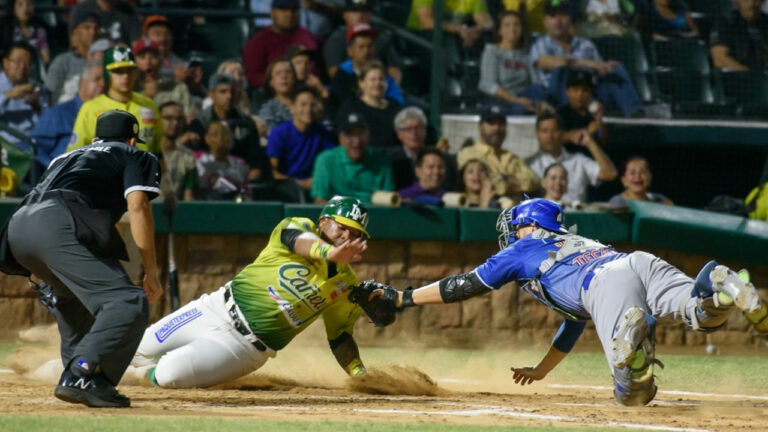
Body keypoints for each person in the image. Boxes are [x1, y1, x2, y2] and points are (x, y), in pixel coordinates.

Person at [375, 197, 768, 406]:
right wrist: (543, 370)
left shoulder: (523, 248)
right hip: (633, 261)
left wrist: (404, 297)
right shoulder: (579, 239)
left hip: (603, 286)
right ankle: (720, 289)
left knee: (632, 393)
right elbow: (574, 321)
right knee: (701, 316)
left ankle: (633, 337)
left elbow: (463, 286)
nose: (512, 234)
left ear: (530, 225)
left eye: (515, 227)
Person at [4, 109, 163, 407]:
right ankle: (82, 374)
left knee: (73, 301)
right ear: (132, 139)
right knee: (128, 302)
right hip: (60, 222)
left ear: (94, 138)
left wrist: (38, 268)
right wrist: (150, 272)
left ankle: (82, 376)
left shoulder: (62, 158)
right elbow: (138, 206)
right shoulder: (134, 155)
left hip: (18, 226)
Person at [130, 196, 372, 388]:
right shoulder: (296, 225)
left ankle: (136, 376)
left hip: (244, 349)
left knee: (168, 373)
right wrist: (329, 253)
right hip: (215, 309)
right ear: (323, 222)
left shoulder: (345, 283)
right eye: (342, 228)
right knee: (134, 348)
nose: (346, 237)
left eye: (355, 234)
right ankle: (104, 371)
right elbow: (299, 240)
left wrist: (359, 374)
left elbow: (339, 335)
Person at [530, 0, 643, 117]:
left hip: (589, 97)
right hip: (557, 99)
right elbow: (546, 62)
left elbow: (599, 69)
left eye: (563, 15)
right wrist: (587, 63)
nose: (558, 21)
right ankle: (569, 116)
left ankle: (635, 113)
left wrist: (606, 67)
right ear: (545, 21)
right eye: (553, 16)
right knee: (562, 70)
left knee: (615, 69)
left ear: (570, 19)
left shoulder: (586, 45)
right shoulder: (540, 44)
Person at [69, 46, 162, 154]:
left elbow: (158, 151)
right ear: (107, 74)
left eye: (129, 70)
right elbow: (75, 153)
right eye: (118, 71)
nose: (125, 76)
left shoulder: (149, 105)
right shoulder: (89, 108)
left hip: (144, 168)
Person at [189, 73, 268, 181]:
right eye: (223, 92)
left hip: (241, 181)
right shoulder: (200, 124)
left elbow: (255, 163)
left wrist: (245, 187)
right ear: (212, 95)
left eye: (232, 92)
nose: (229, 96)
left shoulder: (247, 124)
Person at [526, 113, 616, 204]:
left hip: (577, 216)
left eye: (554, 131)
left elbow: (610, 174)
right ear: (537, 134)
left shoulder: (579, 160)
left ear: (562, 132)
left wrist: (590, 143)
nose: (550, 136)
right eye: (544, 131)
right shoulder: (530, 165)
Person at [456, 104, 540, 201]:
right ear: (480, 126)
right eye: (491, 123)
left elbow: (535, 180)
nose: (496, 128)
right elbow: (482, 183)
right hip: (483, 210)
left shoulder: (511, 157)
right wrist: (513, 182)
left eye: (500, 123)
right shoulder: (468, 153)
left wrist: (502, 181)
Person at [30, 62, 104, 167]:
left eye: (105, 80)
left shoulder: (108, 113)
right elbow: (34, 147)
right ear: (82, 83)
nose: (102, 84)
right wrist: (54, 170)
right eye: (97, 79)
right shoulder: (59, 112)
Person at [311, 112, 395, 204]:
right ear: (341, 138)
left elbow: (389, 200)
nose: (357, 141)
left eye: (361, 134)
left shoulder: (381, 160)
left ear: (369, 136)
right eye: (350, 135)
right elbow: (319, 200)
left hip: (376, 215)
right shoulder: (326, 160)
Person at [267, 86, 335, 193]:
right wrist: (299, 183)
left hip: (314, 186)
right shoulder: (279, 133)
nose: (308, 109)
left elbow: (332, 161)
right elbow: (272, 171)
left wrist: (317, 180)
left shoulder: (321, 132)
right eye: (303, 105)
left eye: (312, 105)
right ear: (292, 108)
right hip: (285, 188)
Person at [243, 0, 320, 89]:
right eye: (283, 10)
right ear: (272, 12)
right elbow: (253, 77)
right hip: (274, 96)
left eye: (294, 10)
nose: (289, 14)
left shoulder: (308, 36)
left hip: (311, 93)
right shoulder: (258, 42)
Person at [479, 11, 545, 114]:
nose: (512, 29)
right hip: (502, 100)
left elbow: (536, 82)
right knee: (519, 108)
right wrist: (516, 100)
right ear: (500, 30)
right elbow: (488, 84)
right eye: (507, 25)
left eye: (516, 25)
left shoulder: (526, 54)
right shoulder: (492, 51)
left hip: (525, 96)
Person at [328, 24, 404, 113]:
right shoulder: (342, 77)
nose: (366, 52)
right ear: (350, 51)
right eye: (361, 47)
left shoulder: (384, 76)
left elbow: (396, 103)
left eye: (370, 46)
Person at [323, 0, 402, 82]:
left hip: (380, 88)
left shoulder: (381, 38)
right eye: (354, 12)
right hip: (350, 89)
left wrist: (388, 89)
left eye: (364, 11)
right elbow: (335, 74)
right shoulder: (336, 40)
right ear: (345, 15)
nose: (360, 16)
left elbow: (394, 71)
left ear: (370, 14)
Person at [336, 60, 402, 149]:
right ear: (361, 83)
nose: (377, 83)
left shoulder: (395, 106)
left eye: (381, 79)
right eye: (372, 79)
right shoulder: (351, 106)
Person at [0, 42, 50, 150]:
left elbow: (48, 119)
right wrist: (8, 95)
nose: (22, 67)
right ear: (5, 63)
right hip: (9, 145)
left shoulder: (36, 87)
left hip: (37, 141)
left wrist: (37, 106)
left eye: (27, 63)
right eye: (17, 61)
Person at [45, 13, 99, 103]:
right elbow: (49, 94)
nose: (93, 32)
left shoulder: (103, 62)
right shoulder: (62, 62)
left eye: (96, 29)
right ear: (75, 33)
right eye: (87, 28)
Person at [196, 121, 252, 201]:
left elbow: (247, 195)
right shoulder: (198, 161)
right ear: (207, 138)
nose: (221, 138)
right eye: (215, 134)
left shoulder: (240, 164)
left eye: (225, 134)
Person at [406, 0, 494, 48]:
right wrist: (460, 29)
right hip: (418, 39)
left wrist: (474, 31)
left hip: (454, 41)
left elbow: (488, 23)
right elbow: (426, 22)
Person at [710, 0, 768, 71]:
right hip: (738, 78)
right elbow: (720, 59)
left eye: (757, 0)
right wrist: (751, 76)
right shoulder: (725, 22)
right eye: (746, 1)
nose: (752, 4)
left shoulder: (765, 22)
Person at [158, 101, 198, 201]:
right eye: (169, 118)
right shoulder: (145, 153)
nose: (175, 123)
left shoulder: (188, 157)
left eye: (179, 119)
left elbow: (189, 196)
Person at [556, 69, 606, 147]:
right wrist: (585, 132)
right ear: (567, 92)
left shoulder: (592, 114)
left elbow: (601, 138)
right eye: (575, 90)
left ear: (590, 93)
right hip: (570, 156)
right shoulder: (561, 113)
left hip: (590, 157)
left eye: (585, 90)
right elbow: (556, 137)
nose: (580, 95)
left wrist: (599, 123)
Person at [69, 0, 141, 45]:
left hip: (121, 60)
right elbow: (74, 43)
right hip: (89, 59)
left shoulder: (128, 10)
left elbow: (136, 43)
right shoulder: (81, 10)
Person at [1, 0, 51, 65]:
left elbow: (45, 54)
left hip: (33, 66)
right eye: (20, 4)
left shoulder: (40, 28)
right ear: (13, 7)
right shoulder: (4, 28)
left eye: (29, 4)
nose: (25, 8)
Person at [390, 107, 429, 190]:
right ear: (399, 134)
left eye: (418, 128)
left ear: (425, 131)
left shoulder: (433, 157)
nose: (414, 133)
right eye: (408, 129)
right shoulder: (391, 160)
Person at [142, 15, 185, 80]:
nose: (162, 39)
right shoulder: (137, 64)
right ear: (145, 37)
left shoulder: (182, 65)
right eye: (157, 34)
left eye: (167, 34)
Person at [258, 59, 296, 132]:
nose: (284, 76)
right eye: (278, 73)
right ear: (271, 82)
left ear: (294, 78)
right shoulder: (268, 110)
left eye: (288, 72)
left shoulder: (305, 103)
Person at [634, 0, 698, 40]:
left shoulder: (681, 6)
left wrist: (686, 36)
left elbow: (695, 31)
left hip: (683, 43)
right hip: (659, 47)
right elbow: (637, 30)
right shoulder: (647, 7)